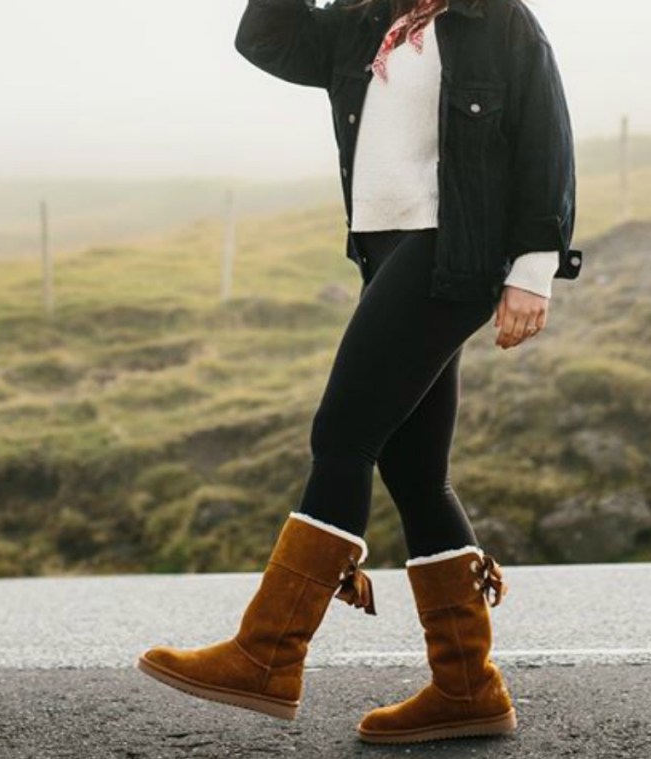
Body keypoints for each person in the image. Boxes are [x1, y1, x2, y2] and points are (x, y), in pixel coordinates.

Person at [136, 0, 582, 744]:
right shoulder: (362, 21)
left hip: (452, 254)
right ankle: (467, 685)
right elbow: (265, 37)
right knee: (415, 471)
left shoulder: (498, 20)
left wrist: (534, 269)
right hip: (385, 259)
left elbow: (545, 141)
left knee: (342, 435)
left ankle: (268, 652)